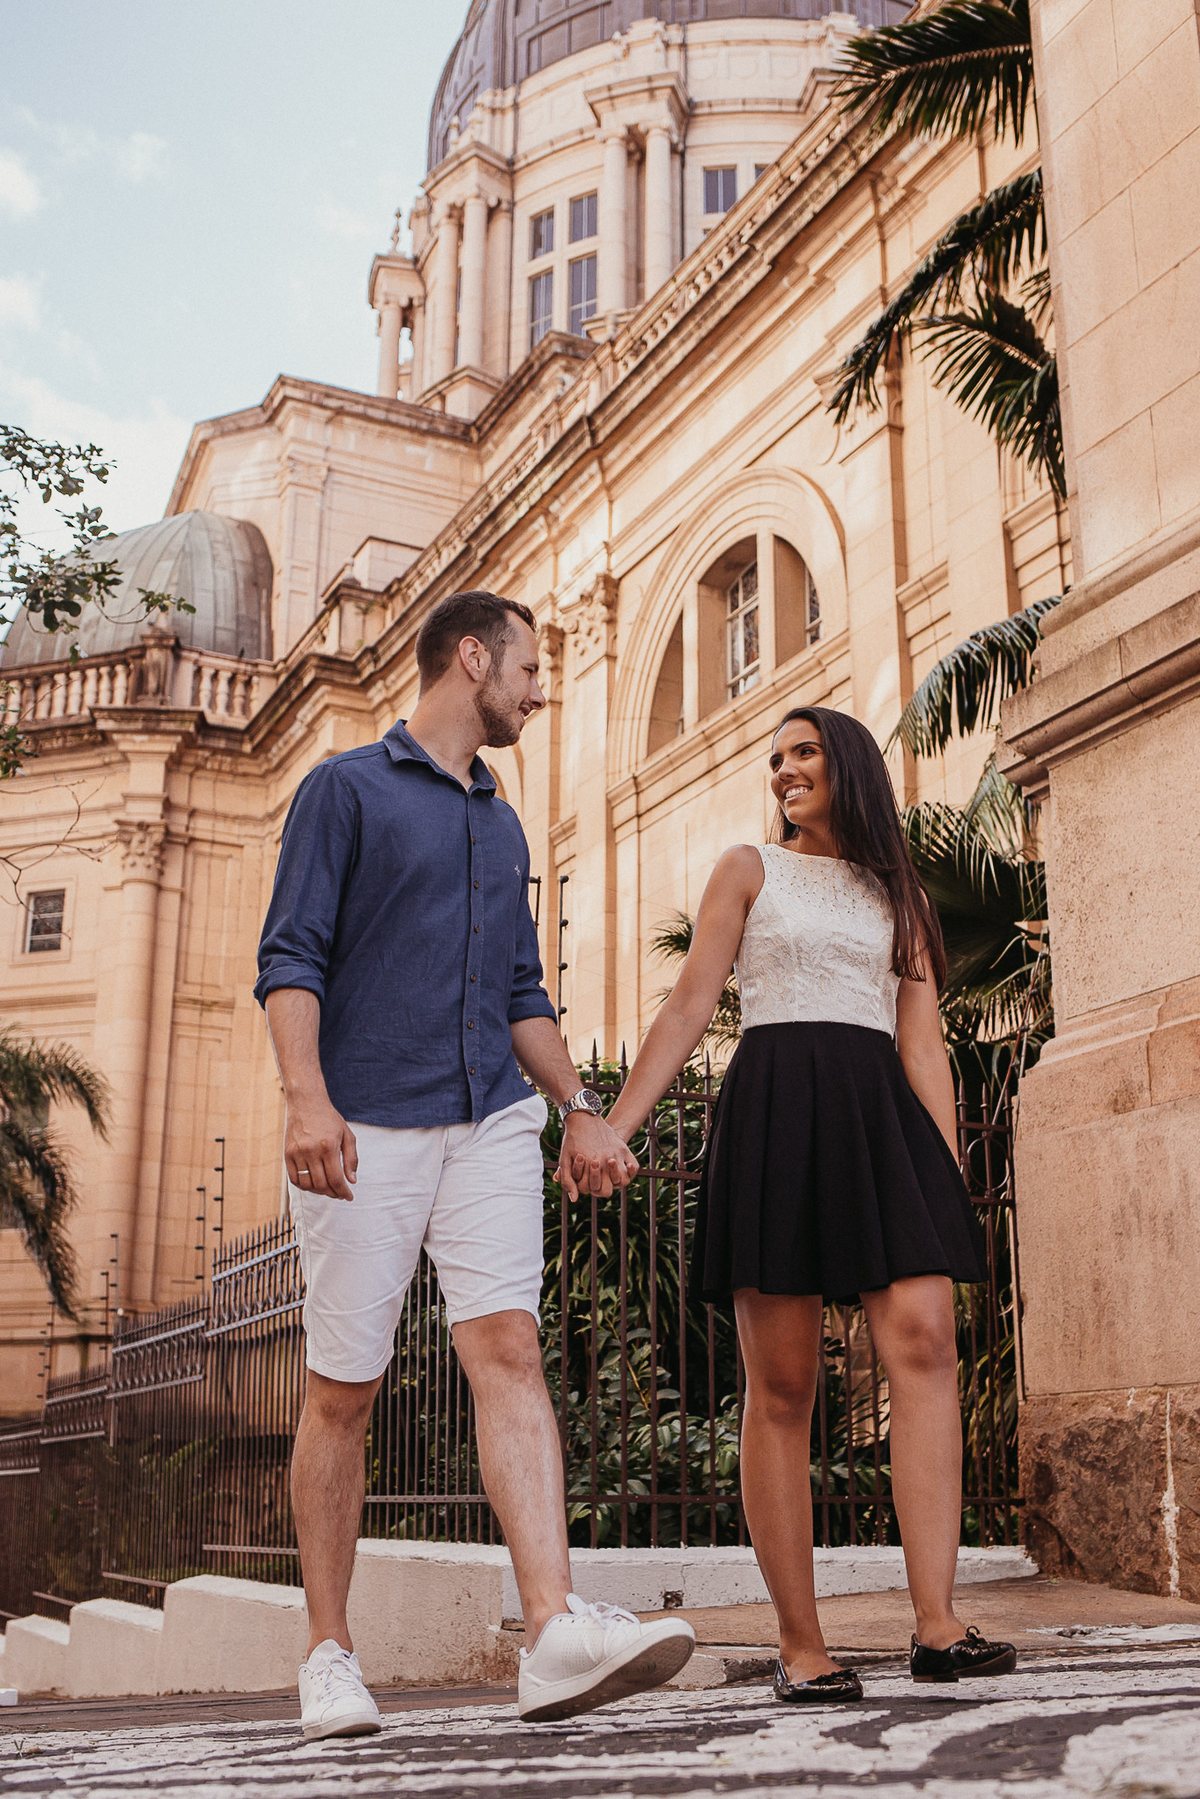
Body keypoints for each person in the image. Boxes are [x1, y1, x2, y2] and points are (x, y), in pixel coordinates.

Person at [255, 590, 694, 1742]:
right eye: (531, 668)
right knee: (344, 1390)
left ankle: (550, 1630)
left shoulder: (503, 824)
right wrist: (307, 1096)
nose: (542, 689)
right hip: (370, 1123)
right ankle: (329, 1653)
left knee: (506, 1344)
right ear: (471, 658)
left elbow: (517, 995)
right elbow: (291, 953)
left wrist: (580, 1109)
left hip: (490, 1117)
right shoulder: (342, 791)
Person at [602, 706, 1016, 1702]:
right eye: (775, 757)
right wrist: (614, 1125)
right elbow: (690, 1002)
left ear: (851, 766)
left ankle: (936, 1622)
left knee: (922, 1339)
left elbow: (922, 1044)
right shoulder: (749, 867)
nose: (784, 768)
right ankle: (802, 1643)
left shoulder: (903, 896)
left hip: (882, 1117)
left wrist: (946, 1172)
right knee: (782, 1382)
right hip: (779, 1107)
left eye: (804, 751)